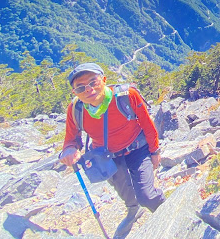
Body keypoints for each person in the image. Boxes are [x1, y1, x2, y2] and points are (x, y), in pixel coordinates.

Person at [59, 63, 165, 239]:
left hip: (137, 149)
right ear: (75, 92)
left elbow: (147, 124)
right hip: (107, 156)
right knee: (127, 195)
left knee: (146, 195)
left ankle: (168, 211)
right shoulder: (76, 109)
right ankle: (133, 210)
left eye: (93, 82)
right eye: (81, 87)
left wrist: (155, 152)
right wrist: (69, 150)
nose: (89, 89)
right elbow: (71, 140)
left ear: (104, 80)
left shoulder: (126, 96)